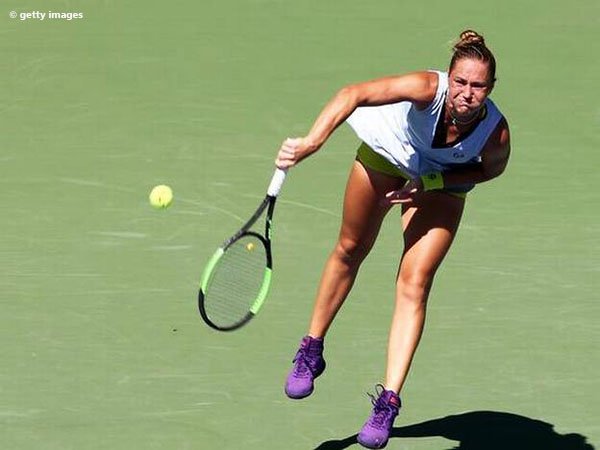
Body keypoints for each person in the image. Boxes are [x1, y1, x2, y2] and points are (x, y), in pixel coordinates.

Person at [276, 30, 510, 449]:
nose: (467, 94)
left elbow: (489, 170)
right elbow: (353, 93)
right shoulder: (426, 88)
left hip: (440, 181)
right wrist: (313, 141)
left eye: (478, 87)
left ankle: (388, 401)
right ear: (448, 79)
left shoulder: (495, 133)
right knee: (351, 249)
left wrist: (434, 181)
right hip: (388, 154)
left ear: (490, 90)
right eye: (460, 82)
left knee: (415, 283)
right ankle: (311, 348)